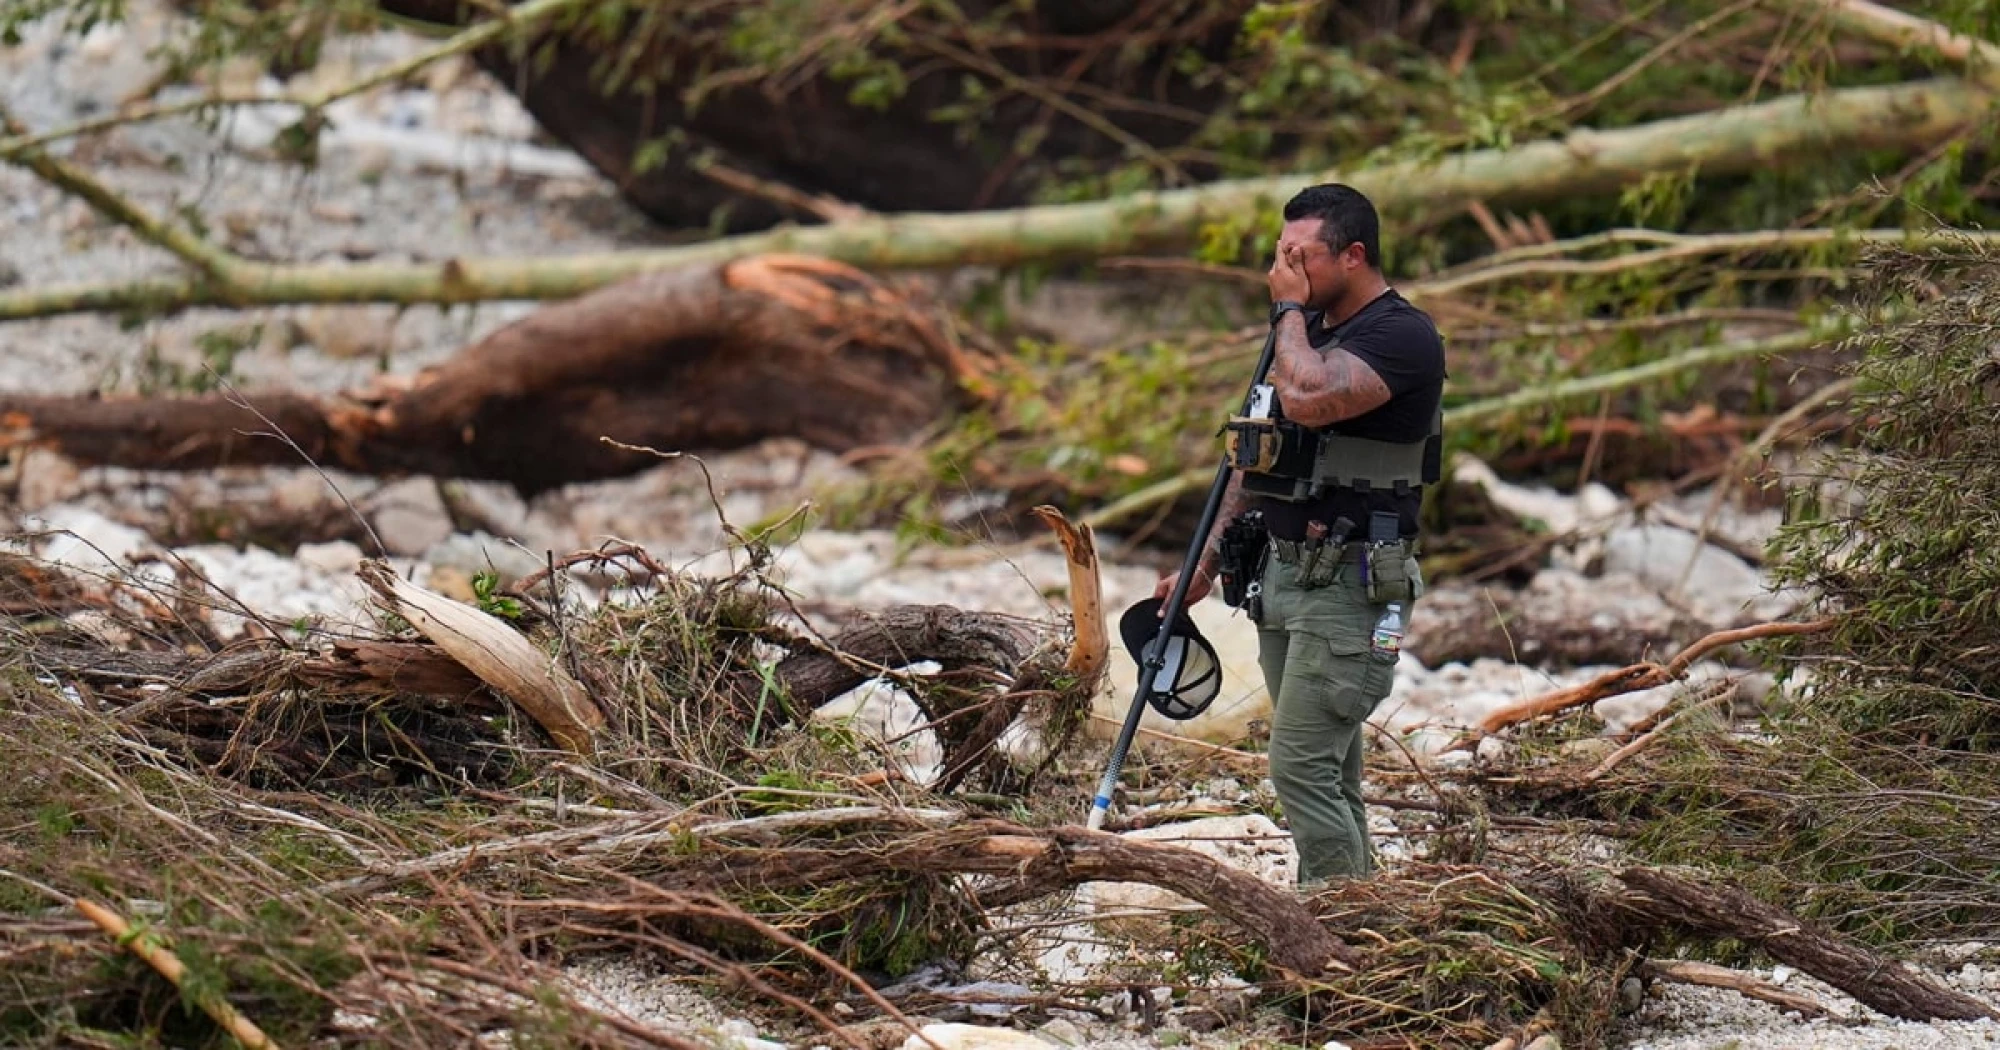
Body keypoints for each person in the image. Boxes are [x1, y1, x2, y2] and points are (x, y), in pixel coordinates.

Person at [1153, 182, 1446, 886]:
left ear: (1352, 256)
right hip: (1284, 576)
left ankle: (1329, 920)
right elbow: (1253, 457)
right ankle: (1361, 915)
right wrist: (1206, 561)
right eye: (1279, 254)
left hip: (1352, 585)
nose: (1283, 271)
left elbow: (1311, 399)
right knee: (1332, 771)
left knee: (1301, 765)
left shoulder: (1401, 335)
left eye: (1299, 256)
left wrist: (1287, 311)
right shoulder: (1304, 334)